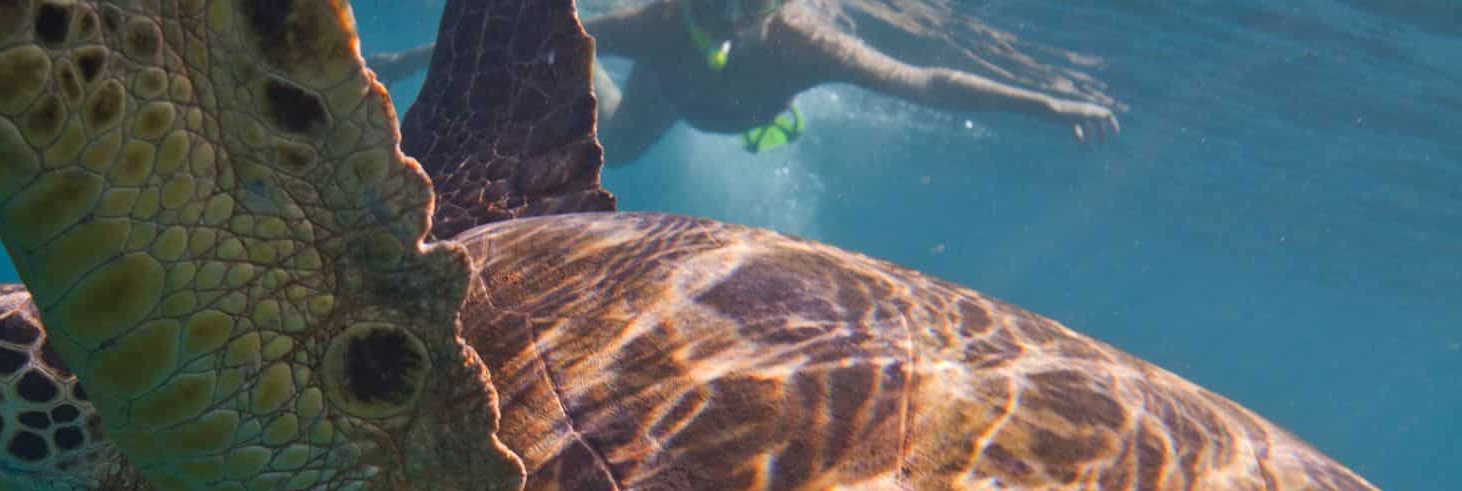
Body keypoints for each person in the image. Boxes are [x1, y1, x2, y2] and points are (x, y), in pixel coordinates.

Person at [369, 0, 1121, 167]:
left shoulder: (806, 40)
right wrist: (405, 64)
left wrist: (1047, 102)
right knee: (618, 148)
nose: (724, 18)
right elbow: (522, 30)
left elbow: (927, 81)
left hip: (731, 109)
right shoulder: (663, 24)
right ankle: (589, 60)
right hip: (667, 100)